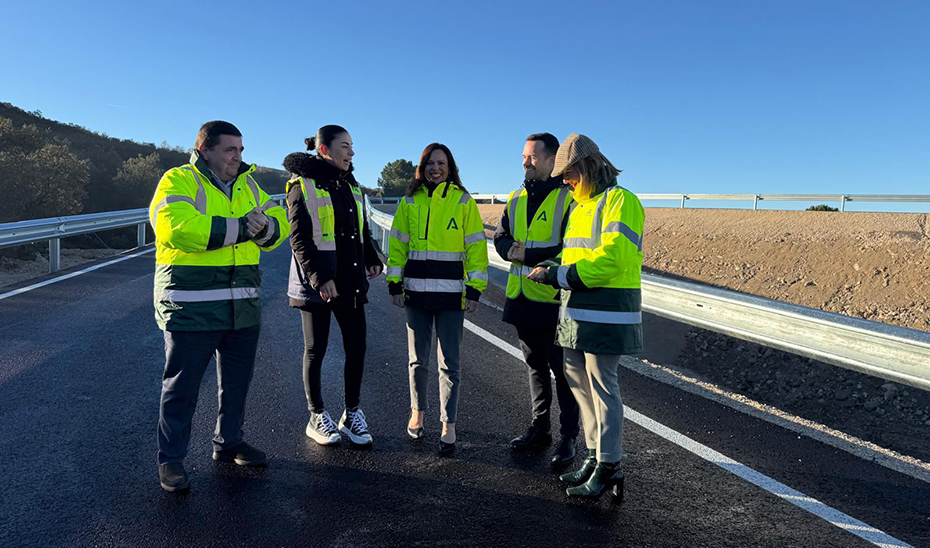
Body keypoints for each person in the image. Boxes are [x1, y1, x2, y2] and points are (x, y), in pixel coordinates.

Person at [149, 120, 290, 492]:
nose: (237, 157)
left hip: (242, 306)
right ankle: (171, 460)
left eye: (241, 150)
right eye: (230, 149)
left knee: (237, 384)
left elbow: (278, 222)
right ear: (205, 149)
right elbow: (178, 229)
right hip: (190, 306)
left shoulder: (248, 184)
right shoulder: (179, 180)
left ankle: (229, 442)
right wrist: (244, 228)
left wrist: (266, 230)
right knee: (182, 387)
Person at [527, 133, 644, 501]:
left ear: (588, 166)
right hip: (576, 314)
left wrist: (561, 275)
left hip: (608, 313)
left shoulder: (621, 201)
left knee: (603, 387)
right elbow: (572, 254)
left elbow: (613, 259)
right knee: (579, 384)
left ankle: (610, 465)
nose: (564, 180)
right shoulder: (580, 208)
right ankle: (594, 457)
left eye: (569, 172)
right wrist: (552, 265)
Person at [386, 143, 489, 456]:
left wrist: (475, 289)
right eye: (431, 163)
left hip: (450, 297)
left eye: (441, 163)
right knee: (417, 360)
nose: (436, 169)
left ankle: (449, 421)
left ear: (450, 167)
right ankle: (418, 412)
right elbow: (398, 243)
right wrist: (394, 283)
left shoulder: (462, 201)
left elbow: (475, 247)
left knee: (450, 364)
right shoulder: (409, 200)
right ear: (423, 167)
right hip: (415, 294)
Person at [284, 125, 383, 446]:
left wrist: (372, 257)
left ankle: (351, 414)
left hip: (351, 281)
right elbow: (298, 239)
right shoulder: (302, 185)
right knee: (316, 350)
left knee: (357, 348)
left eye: (352, 146)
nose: (351, 152)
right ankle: (317, 415)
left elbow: (361, 230)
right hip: (317, 285)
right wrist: (319, 278)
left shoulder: (351, 186)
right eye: (345, 146)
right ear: (324, 150)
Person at [493, 133, 580, 466]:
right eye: (524, 157)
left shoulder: (566, 199)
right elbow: (501, 236)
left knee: (563, 370)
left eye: (532, 157)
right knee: (534, 368)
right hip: (521, 297)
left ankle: (568, 438)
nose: (526, 162)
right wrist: (510, 250)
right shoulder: (515, 197)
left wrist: (527, 255)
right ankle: (540, 427)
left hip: (554, 299)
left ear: (550, 160)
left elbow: (568, 248)